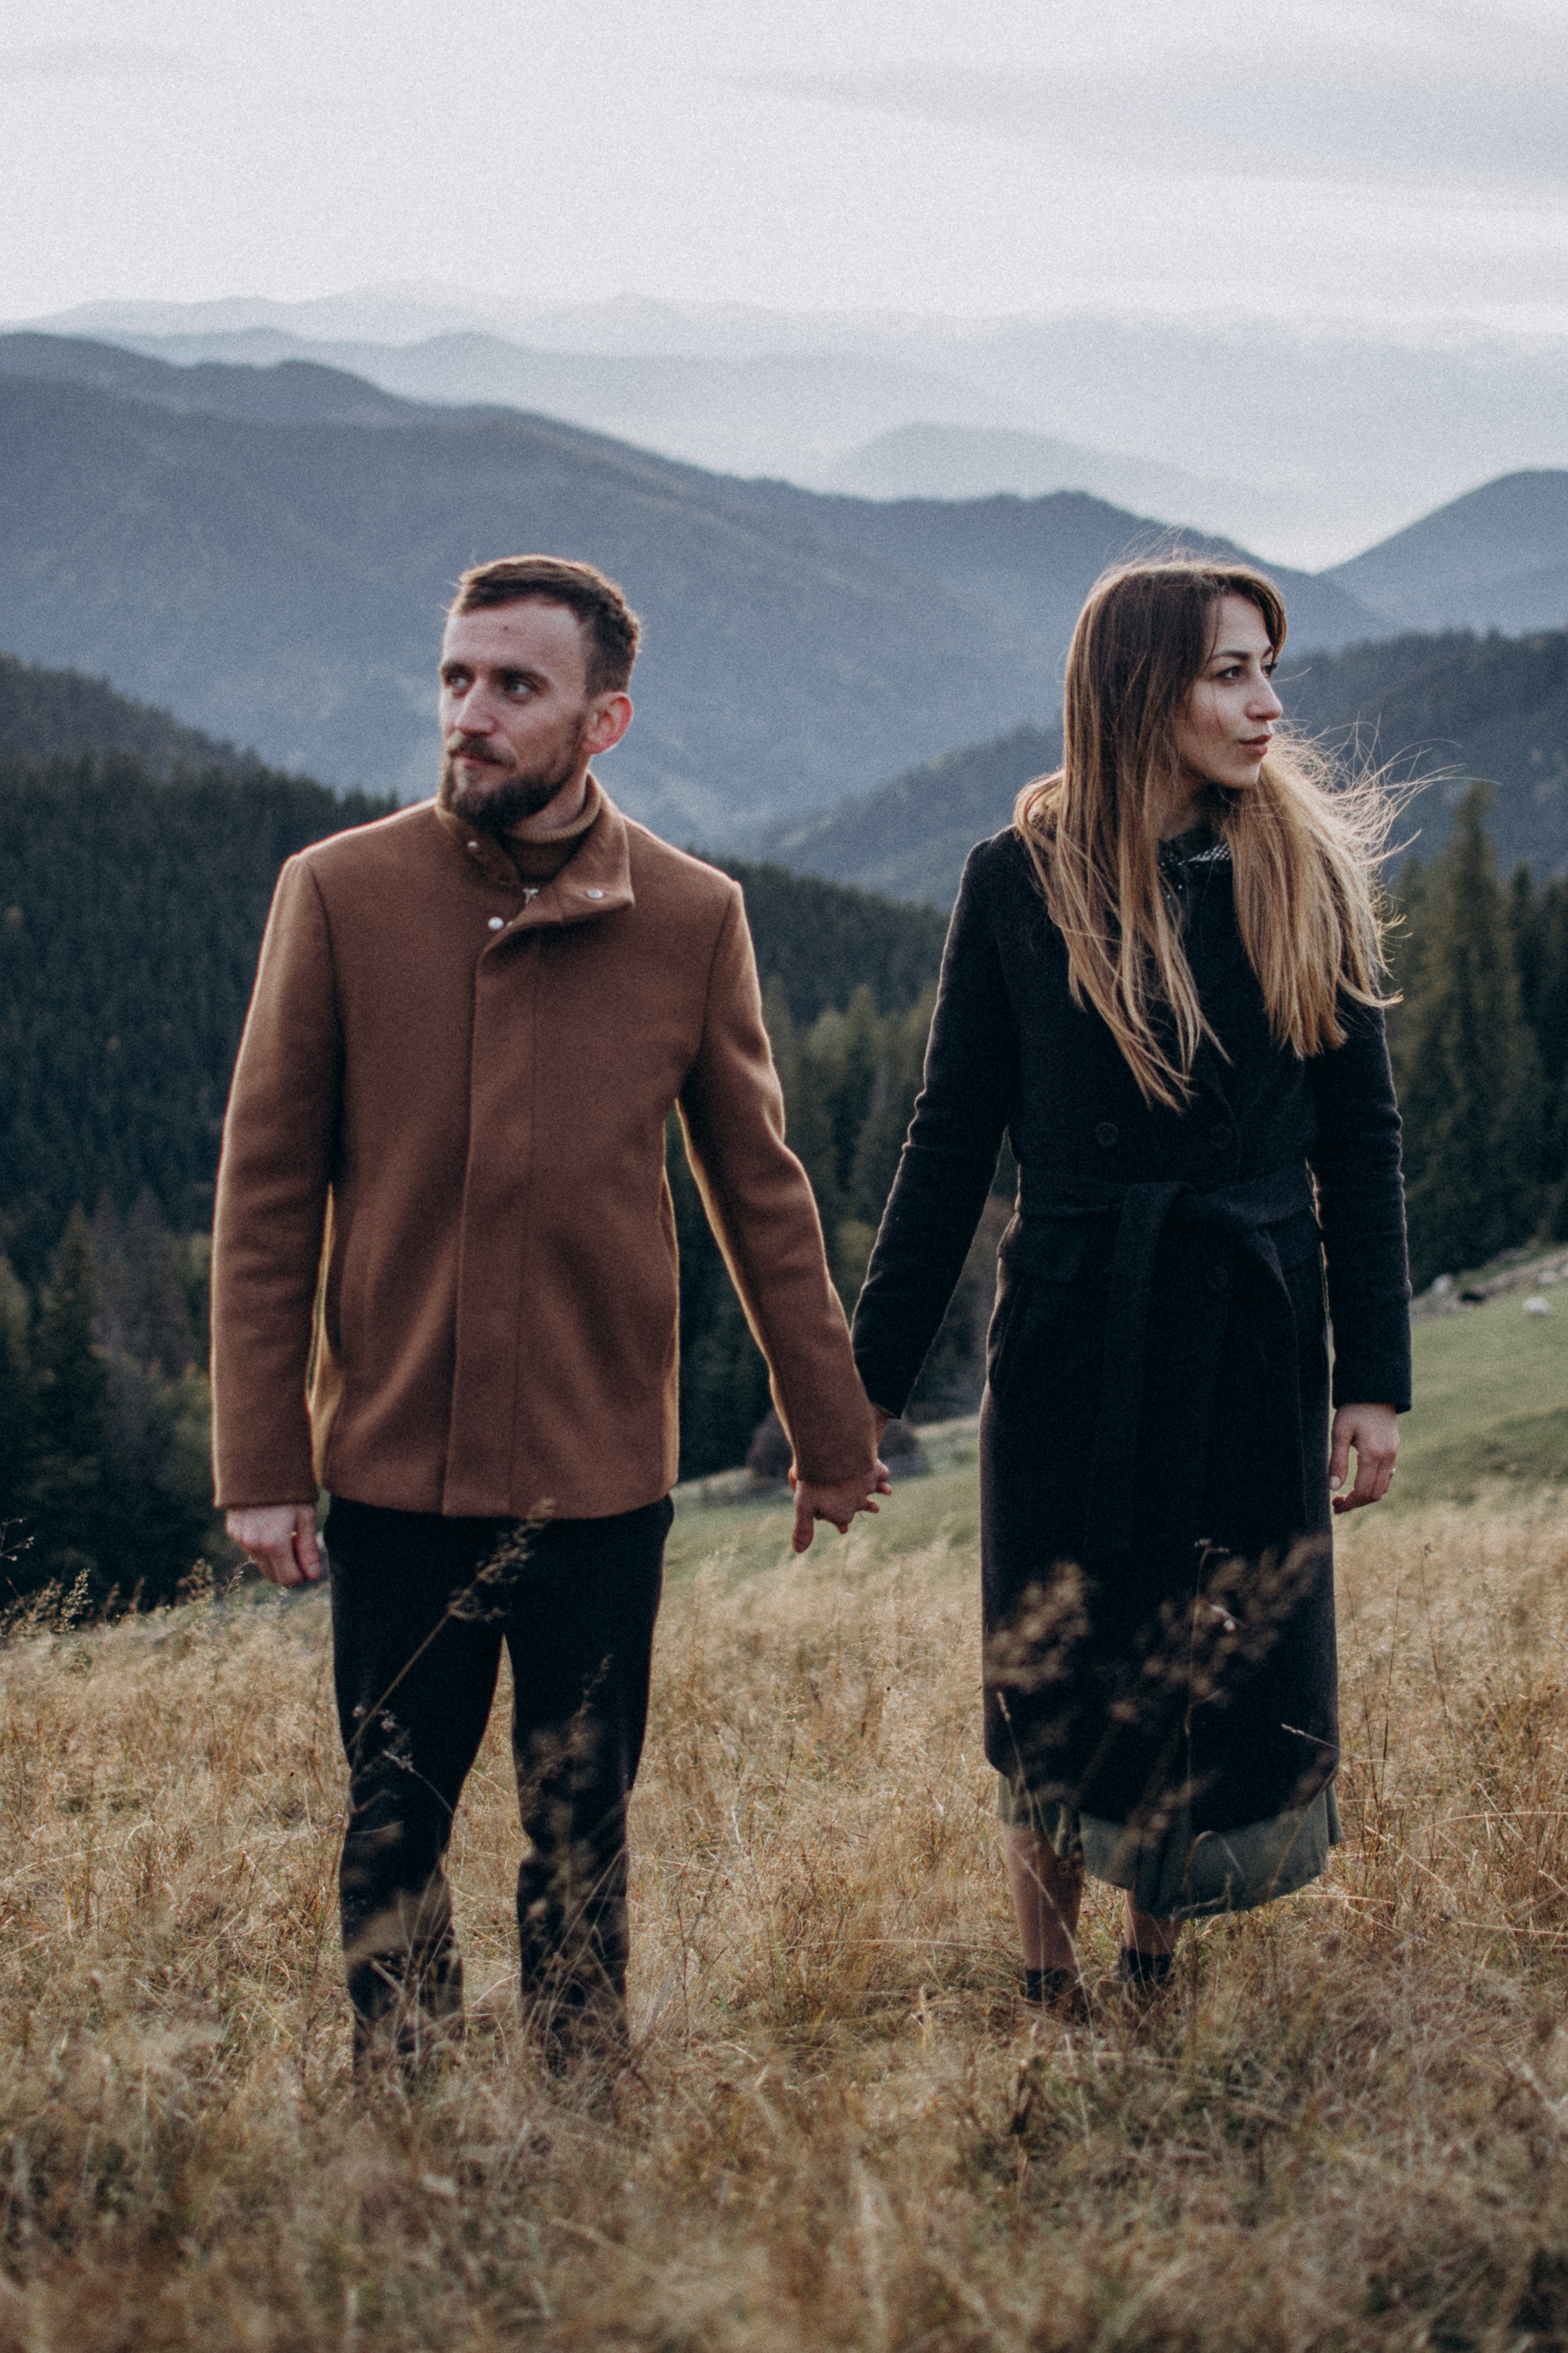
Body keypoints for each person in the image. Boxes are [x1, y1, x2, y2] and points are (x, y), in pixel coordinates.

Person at [212, 554, 886, 2071]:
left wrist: (832, 1437)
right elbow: (265, 1196)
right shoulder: (337, 892)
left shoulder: (692, 916)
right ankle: (406, 2102)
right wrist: (261, 1462)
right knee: (392, 1813)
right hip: (392, 1467)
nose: (471, 712)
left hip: (599, 1480)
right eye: (457, 677)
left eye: (516, 685)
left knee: (584, 1819)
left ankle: (580, 2107)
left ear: (603, 720)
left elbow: (761, 1192)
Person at [850, 559, 1409, 2007]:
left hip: (1247, 1327)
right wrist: (863, 1390)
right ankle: (1047, 1983)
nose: (1267, 703)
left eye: (1267, 668)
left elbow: (1359, 1140)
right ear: (1140, 688)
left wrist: (1374, 1381)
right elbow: (949, 1145)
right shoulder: (1017, 880)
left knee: (1206, 1648)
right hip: (1074, 1331)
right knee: (1058, 1663)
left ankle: (1151, 1964)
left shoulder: (1304, 870)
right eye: (1230, 672)